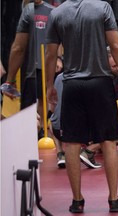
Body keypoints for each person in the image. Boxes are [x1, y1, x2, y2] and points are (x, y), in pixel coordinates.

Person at [45, 0, 118, 213]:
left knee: (72, 145)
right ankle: (113, 199)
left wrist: (49, 86)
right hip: (100, 83)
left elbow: (50, 54)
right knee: (108, 141)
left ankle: (77, 201)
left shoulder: (57, 13)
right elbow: (116, 45)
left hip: (72, 84)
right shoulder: (102, 8)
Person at [2, 0, 63, 139]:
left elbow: (57, 37)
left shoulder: (51, 11)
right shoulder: (26, 9)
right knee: (27, 100)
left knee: (43, 98)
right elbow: (18, 46)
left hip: (46, 62)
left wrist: (59, 58)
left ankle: (41, 129)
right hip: (29, 65)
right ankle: (28, 133)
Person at [49, 72, 102, 169]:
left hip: (58, 130)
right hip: (77, 132)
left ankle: (60, 153)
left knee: (53, 119)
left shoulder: (59, 77)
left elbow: (52, 108)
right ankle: (88, 151)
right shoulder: (88, 77)